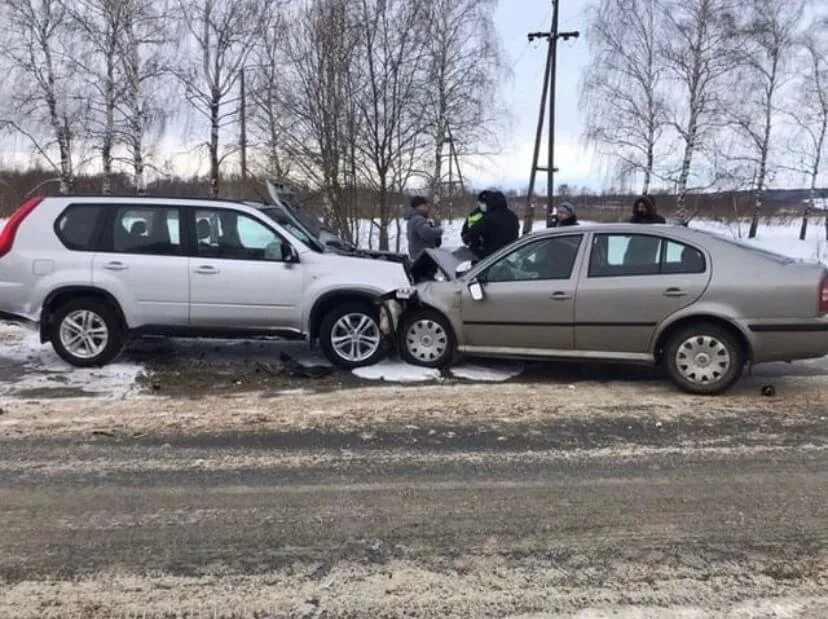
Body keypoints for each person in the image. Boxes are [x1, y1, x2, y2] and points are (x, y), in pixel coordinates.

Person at [461, 190, 519, 258]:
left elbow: (472, 233)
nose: (481, 205)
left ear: (491, 202)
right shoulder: (512, 216)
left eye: (484, 203)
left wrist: (472, 242)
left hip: (491, 258)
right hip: (510, 254)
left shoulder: (489, 219)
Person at [460, 191, 488, 256]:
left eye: (485, 202)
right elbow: (464, 233)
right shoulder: (473, 215)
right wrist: (468, 239)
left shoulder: (494, 214)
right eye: (482, 202)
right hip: (476, 252)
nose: (484, 204)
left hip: (492, 253)